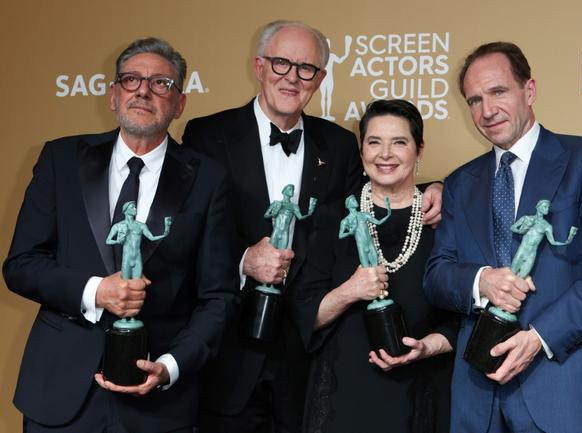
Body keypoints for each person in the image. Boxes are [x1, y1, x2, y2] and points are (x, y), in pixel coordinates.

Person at [182, 20, 443, 433]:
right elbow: (188, 233)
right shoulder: (206, 135)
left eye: (306, 69)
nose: (292, 77)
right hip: (232, 350)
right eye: (282, 63)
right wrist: (245, 259)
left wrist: (437, 188)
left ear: (320, 79)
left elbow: (385, 187)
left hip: (307, 360)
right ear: (259, 66)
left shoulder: (339, 144)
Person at [3, 37, 237, 433]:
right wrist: (96, 291)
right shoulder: (60, 159)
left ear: (179, 103)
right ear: (113, 95)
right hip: (60, 395)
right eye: (131, 80)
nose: (143, 90)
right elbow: (22, 265)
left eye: (160, 83)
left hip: (159, 402)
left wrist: (171, 366)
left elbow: (218, 296)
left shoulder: (209, 180)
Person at [423, 42, 582, 433]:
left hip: (564, 390)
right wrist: (480, 281)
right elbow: (437, 275)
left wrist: (539, 338)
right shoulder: (458, 183)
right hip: (480, 398)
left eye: (498, 92)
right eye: (474, 100)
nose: (487, 110)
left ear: (530, 90)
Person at [293, 99, 457, 433]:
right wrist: (350, 291)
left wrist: (428, 347)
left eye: (399, 142)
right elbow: (305, 314)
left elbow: (464, 315)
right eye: (374, 142)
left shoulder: (443, 219)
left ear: (419, 149)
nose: (385, 154)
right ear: (361, 149)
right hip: (344, 397)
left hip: (420, 394)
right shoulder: (332, 217)